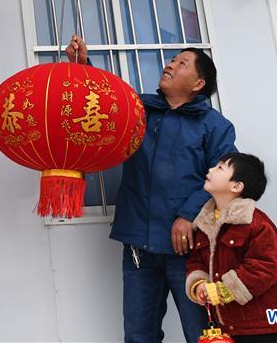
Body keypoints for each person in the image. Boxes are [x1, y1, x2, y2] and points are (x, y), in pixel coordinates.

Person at [66, 35, 237, 342]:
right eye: (173, 59)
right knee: (138, 335)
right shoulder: (139, 109)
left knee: (202, 333)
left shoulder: (215, 126)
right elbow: (104, 102)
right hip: (138, 246)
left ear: (198, 84)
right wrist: (83, 66)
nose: (171, 63)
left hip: (189, 247)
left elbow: (223, 180)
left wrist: (188, 215)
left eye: (182, 62)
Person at [186, 153, 277, 342]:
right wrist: (199, 284)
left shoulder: (256, 223)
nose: (211, 170)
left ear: (236, 186)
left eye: (220, 168)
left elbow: (267, 266)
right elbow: (196, 261)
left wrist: (223, 290)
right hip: (228, 325)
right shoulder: (204, 223)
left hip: (262, 326)